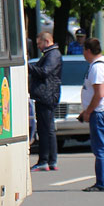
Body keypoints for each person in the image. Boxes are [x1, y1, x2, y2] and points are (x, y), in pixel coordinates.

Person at [78, 38, 104, 192]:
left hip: (99, 113)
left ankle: (102, 183)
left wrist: (88, 111)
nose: (83, 54)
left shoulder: (97, 68)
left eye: (83, 50)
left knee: (101, 149)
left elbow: (99, 94)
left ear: (88, 50)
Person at [28, 30, 63, 171]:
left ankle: (46, 160)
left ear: (46, 41)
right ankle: (50, 160)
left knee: (46, 129)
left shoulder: (53, 54)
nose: (38, 46)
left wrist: (28, 66)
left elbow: (45, 71)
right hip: (47, 94)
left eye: (39, 43)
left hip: (47, 95)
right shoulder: (51, 54)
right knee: (46, 128)